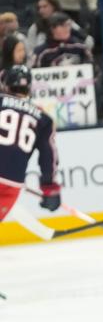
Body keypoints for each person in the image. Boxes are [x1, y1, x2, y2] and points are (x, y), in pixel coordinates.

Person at [0, 66, 60, 226]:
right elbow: (48, 155)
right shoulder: (44, 118)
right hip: (12, 182)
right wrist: (49, 187)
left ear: (5, 85)